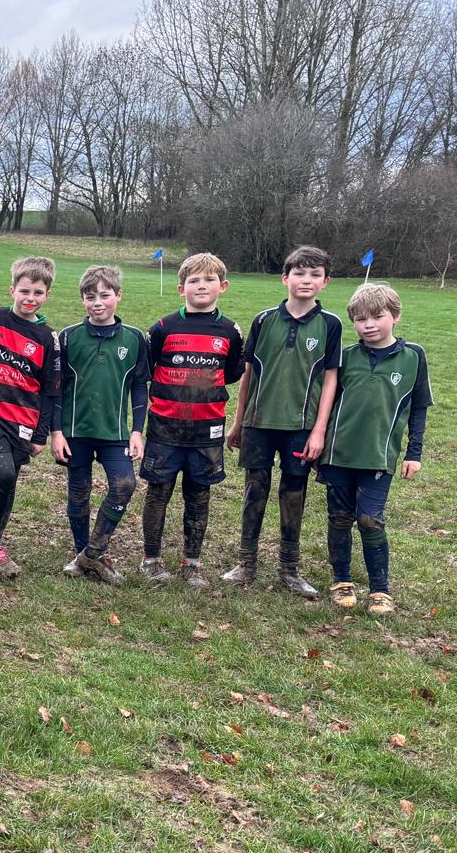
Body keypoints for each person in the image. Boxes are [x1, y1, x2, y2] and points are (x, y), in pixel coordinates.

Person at [222, 245, 341, 596]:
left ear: (325, 282)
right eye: (299, 273)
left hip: (301, 428)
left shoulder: (330, 324)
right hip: (259, 423)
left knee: (293, 494)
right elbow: (248, 374)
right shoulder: (263, 320)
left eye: (314, 274)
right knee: (254, 491)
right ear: (285, 278)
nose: (306, 280)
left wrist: (319, 430)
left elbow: (330, 379)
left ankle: (289, 568)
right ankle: (246, 563)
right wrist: (238, 420)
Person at [317, 283, 431, 615]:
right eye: (361, 318)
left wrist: (415, 452)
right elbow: (324, 402)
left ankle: (380, 590)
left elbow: (419, 406)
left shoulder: (414, 357)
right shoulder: (346, 357)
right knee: (339, 518)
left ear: (395, 316)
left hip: (379, 456)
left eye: (377, 317)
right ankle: (341, 580)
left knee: (370, 519)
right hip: (338, 454)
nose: (368, 325)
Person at [138, 252, 244, 588]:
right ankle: (151, 559)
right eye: (194, 281)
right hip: (164, 428)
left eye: (209, 280)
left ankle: (191, 562)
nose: (201, 286)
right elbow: (149, 369)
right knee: (159, 492)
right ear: (181, 288)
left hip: (206, 430)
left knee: (199, 495)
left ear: (222, 286)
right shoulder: (163, 328)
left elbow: (229, 375)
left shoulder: (229, 331)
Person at [50, 266, 148, 585]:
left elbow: (138, 386)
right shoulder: (68, 337)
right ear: (82, 300)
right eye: (90, 297)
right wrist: (57, 431)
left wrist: (137, 430)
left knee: (124, 485)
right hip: (75, 433)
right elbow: (56, 388)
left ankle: (92, 553)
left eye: (105, 295)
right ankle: (84, 553)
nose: (97, 303)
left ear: (118, 296)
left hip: (115, 434)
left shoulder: (134, 338)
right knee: (78, 493)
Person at [0, 256, 59, 579]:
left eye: (37, 292)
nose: (30, 298)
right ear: (12, 290)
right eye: (24, 291)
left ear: (46, 295)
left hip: (23, 421)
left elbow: (51, 391)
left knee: (10, 480)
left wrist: (40, 435)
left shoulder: (49, 339)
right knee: (3, 472)